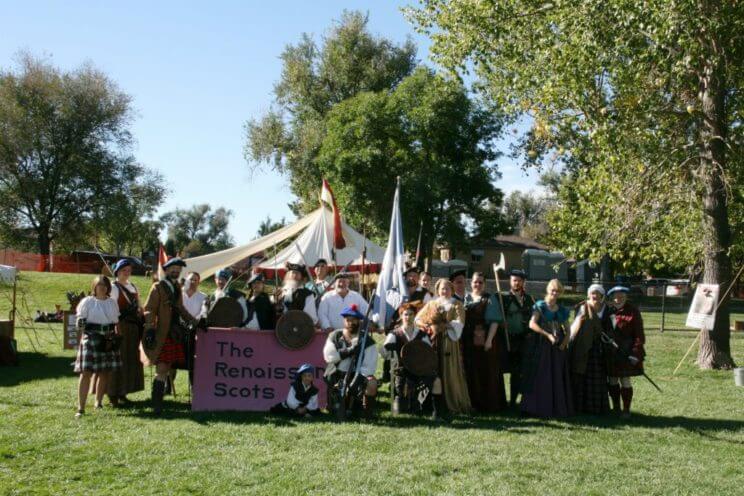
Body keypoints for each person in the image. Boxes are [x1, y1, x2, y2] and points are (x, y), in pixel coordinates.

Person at [141, 257, 198, 415]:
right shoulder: (158, 287)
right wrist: (151, 327)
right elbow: (149, 309)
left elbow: (180, 308)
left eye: (178, 269)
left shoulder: (177, 287)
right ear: (166, 270)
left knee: (166, 368)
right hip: (160, 332)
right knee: (162, 368)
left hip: (174, 332)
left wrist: (196, 322)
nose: (176, 271)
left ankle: (157, 400)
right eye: (173, 268)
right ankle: (157, 403)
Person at [415, 278, 471, 417]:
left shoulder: (457, 304)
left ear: (452, 290)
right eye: (442, 288)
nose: (444, 291)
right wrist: (428, 327)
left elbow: (460, 323)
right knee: (434, 370)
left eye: (447, 288)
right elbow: (417, 319)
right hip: (433, 343)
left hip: (449, 343)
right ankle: (434, 405)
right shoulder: (432, 304)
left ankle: (453, 402)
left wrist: (443, 326)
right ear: (438, 290)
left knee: (449, 370)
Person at [521, 279, 573, 418]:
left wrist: (564, 343)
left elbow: (568, 330)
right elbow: (532, 324)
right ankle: (537, 407)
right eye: (553, 290)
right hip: (541, 346)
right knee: (541, 375)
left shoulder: (562, 310)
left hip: (557, 348)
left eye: (557, 291)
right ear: (548, 290)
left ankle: (556, 407)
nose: (554, 293)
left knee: (556, 375)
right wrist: (547, 335)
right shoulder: (540, 306)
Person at [485, 268, 535, 409]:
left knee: (519, 373)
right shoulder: (501, 297)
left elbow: (533, 318)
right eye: (514, 280)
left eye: (519, 280)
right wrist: (502, 323)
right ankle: (499, 401)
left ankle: (515, 402)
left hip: (523, 340)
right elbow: (494, 316)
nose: (517, 283)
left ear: (523, 282)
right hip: (505, 340)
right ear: (510, 281)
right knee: (502, 371)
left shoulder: (530, 299)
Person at [73, 276, 122, 418]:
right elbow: (79, 320)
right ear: (94, 286)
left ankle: (98, 403)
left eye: (105, 285)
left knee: (104, 372)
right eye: (99, 285)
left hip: (107, 339)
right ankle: (81, 407)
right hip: (91, 338)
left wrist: (117, 338)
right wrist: (80, 324)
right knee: (85, 372)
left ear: (108, 288)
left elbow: (115, 322)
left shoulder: (112, 303)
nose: (102, 287)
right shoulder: (87, 301)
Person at [380, 301, 438, 417]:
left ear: (414, 316)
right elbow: (383, 352)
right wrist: (391, 352)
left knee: (432, 378)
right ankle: (401, 400)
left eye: (411, 314)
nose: (408, 317)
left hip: (418, 368)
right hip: (399, 368)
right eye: (405, 314)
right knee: (400, 403)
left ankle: (421, 403)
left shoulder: (421, 335)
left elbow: (428, 353)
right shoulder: (394, 334)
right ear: (401, 316)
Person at [323, 304, 378, 419]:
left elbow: (369, 366)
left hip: (357, 375)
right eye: (348, 320)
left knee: (372, 383)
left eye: (354, 320)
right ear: (344, 321)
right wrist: (349, 350)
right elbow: (330, 357)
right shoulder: (335, 336)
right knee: (336, 410)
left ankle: (366, 413)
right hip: (336, 374)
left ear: (359, 321)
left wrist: (355, 380)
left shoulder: (368, 341)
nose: (351, 323)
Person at [462, 272, 506, 413]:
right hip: (468, 340)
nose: (478, 285)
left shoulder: (490, 299)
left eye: (481, 282)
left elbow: (494, 322)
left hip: (485, 341)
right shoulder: (466, 298)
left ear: (485, 284)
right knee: (471, 371)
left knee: (487, 371)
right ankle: (473, 402)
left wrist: (489, 341)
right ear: (471, 283)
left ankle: (488, 404)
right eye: (476, 282)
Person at [106, 259, 145, 407]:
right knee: (118, 360)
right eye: (124, 270)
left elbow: (139, 307)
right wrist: (116, 326)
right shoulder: (113, 287)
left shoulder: (133, 287)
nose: (127, 273)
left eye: (129, 270)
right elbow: (111, 308)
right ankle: (112, 394)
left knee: (129, 359)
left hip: (133, 328)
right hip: (120, 326)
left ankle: (123, 392)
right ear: (117, 271)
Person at [568, 284, 611, 415]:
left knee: (597, 380)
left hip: (599, 350)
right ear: (588, 295)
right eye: (593, 293)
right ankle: (580, 407)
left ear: (602, 296)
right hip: (583, 348)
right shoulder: (582, 308)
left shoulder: (607, 310)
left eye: (598, 294)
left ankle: (596, 408)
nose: (595, 296)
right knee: (581, 378)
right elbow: (575, 328)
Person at [606, 286, 646, 418]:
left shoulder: (633, 312)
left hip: (626, 351)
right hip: (611, 352)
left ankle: (626, 410)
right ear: (612, 297)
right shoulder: (608, 310)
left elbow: (639, 335)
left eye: (621, 295)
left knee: (625, 380)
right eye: (616, 296)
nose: (618, 298)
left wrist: (635, 353)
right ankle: (616, 408)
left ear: (626, 296)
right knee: (612, 379)